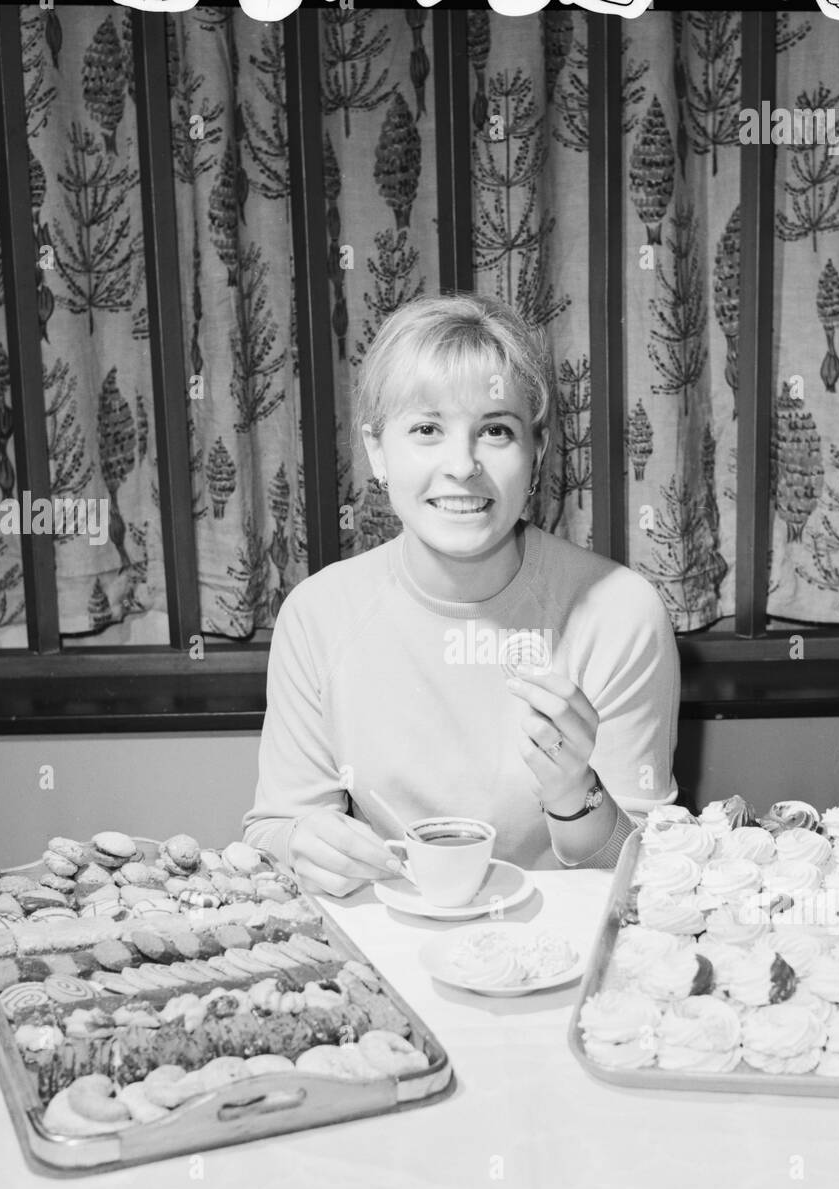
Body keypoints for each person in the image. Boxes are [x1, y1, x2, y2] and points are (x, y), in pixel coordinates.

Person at [242, 292, 680, 896]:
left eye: (495, 430)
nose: (462, 465)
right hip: (384, 945)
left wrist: (575, 795)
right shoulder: (318, 613)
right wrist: (300, 844)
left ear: (538, 451)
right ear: (377, 451)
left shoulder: (622, 613)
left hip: (562, 964)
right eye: (426, 429)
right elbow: (272, 830)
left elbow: (644, 878)